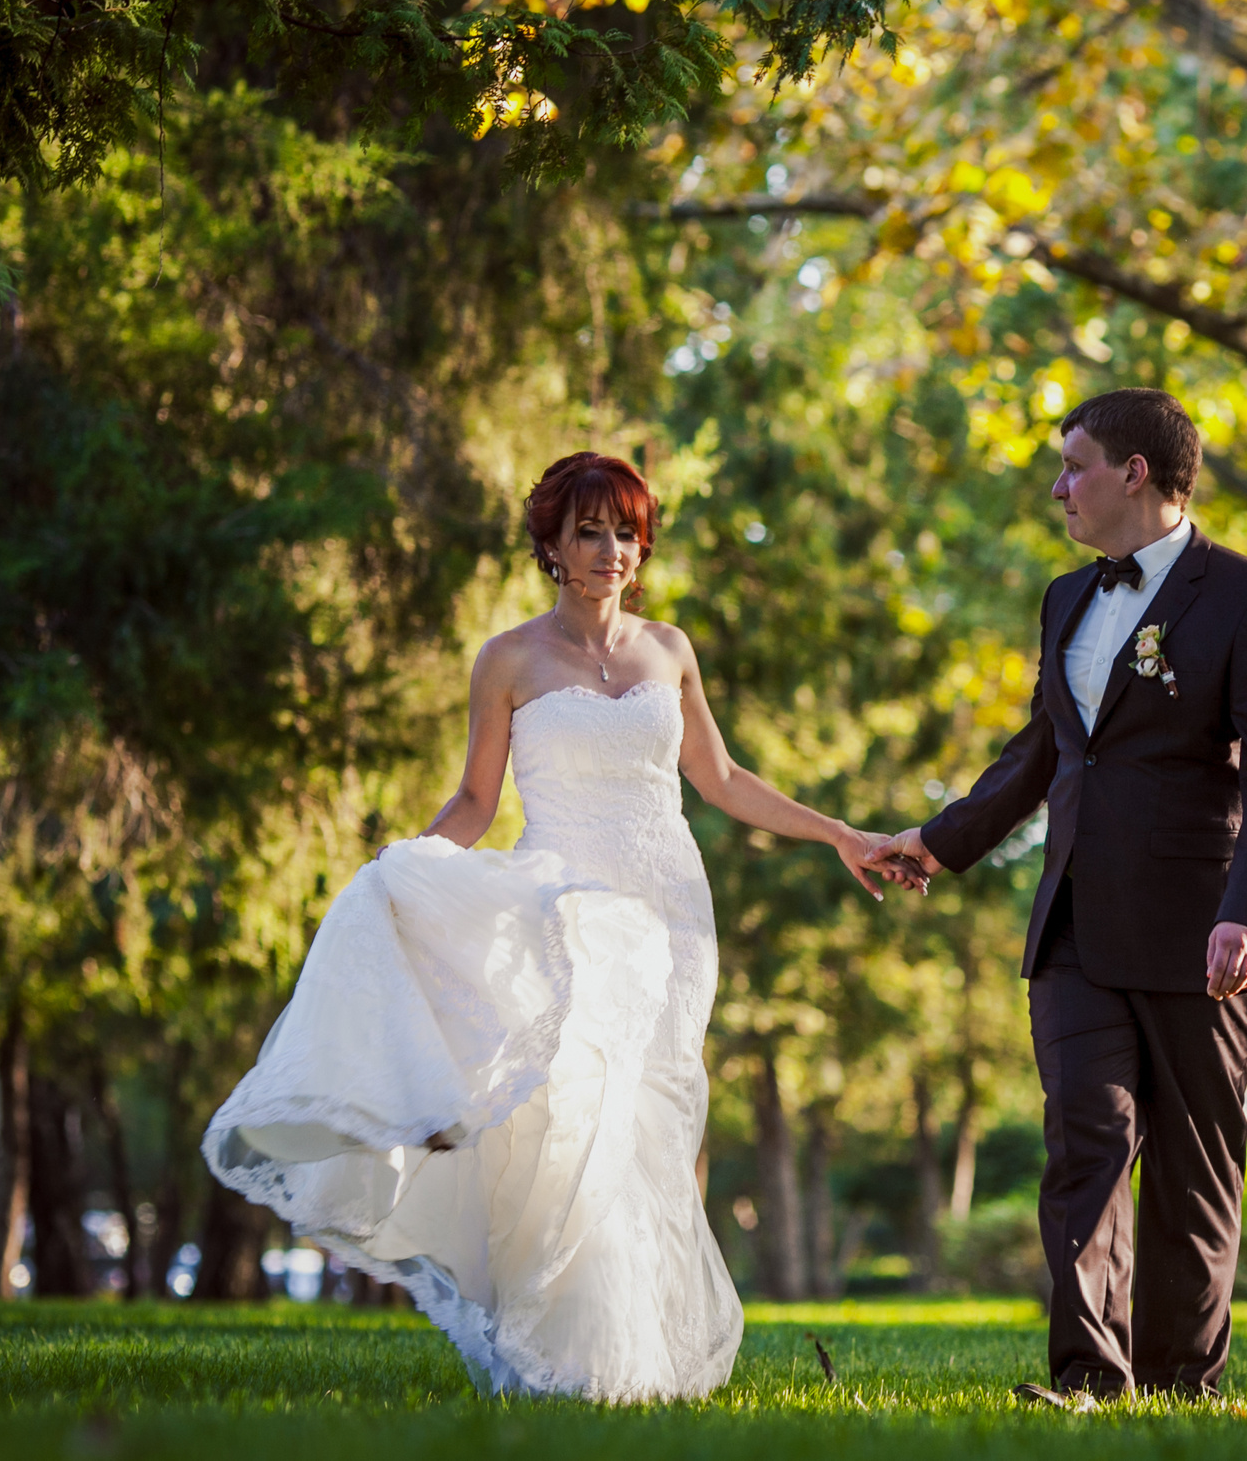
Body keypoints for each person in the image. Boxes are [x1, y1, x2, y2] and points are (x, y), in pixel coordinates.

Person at [203, 452, 914, 1403]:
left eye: (625, 531)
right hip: (565, 916)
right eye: (590, 531)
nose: (612, 550)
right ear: (551, 544)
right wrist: (405, 867)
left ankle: (646, 1353)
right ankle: (568, 1356)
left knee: (657, 1123)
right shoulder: (508, 659)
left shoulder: (671, 649)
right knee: (575, 1122)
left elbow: (724, 781)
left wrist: (838, 833)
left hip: (672, 916)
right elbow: (474, 798)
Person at [877, 388, 1247, 1408]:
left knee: (1189, 1170)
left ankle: (1178, 1382)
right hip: (1073, 922)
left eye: (1074, 465)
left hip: (1206, 933)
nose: (1057, 486)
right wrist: (939, 845)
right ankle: (1087, 1377)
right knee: (1084, 1138)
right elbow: (1040, 749)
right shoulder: (1065, 598)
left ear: (1136, 472)